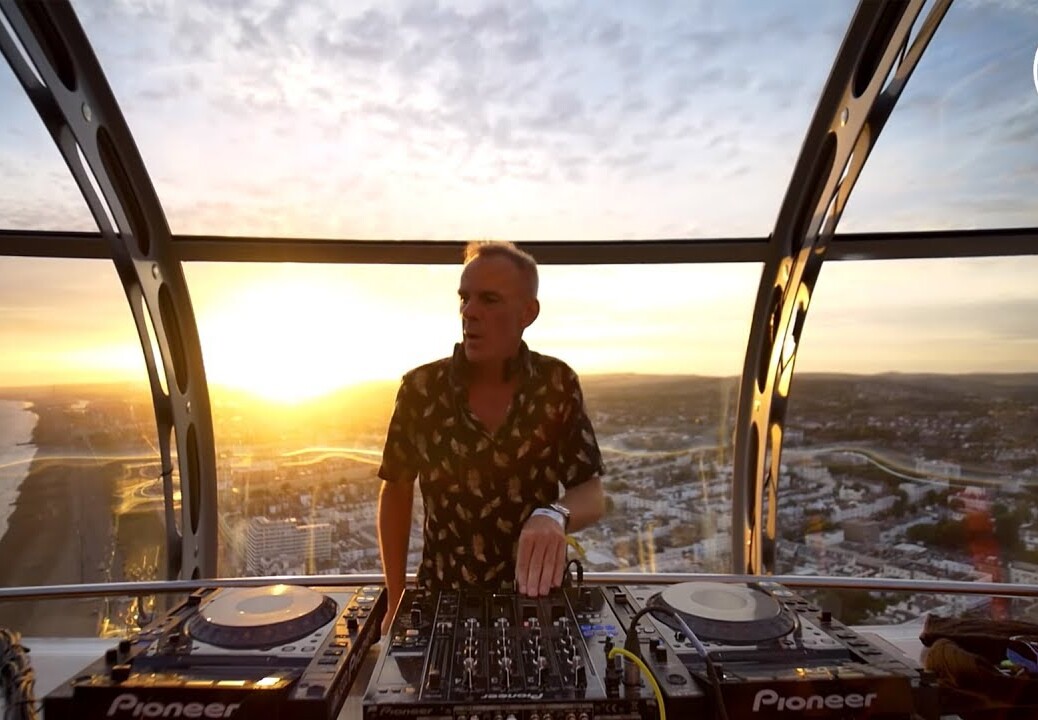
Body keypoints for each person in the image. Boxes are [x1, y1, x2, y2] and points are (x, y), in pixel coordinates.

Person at [377, 240, 605, 630]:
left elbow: (591, 493)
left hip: (537, 603)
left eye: (489, 300)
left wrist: (554, 515)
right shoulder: (421, 389)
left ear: (527, 313)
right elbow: (395, 491)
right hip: (443, 604)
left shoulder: (556, 383)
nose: (469, 312)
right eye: (464, 298)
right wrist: (396, 602)